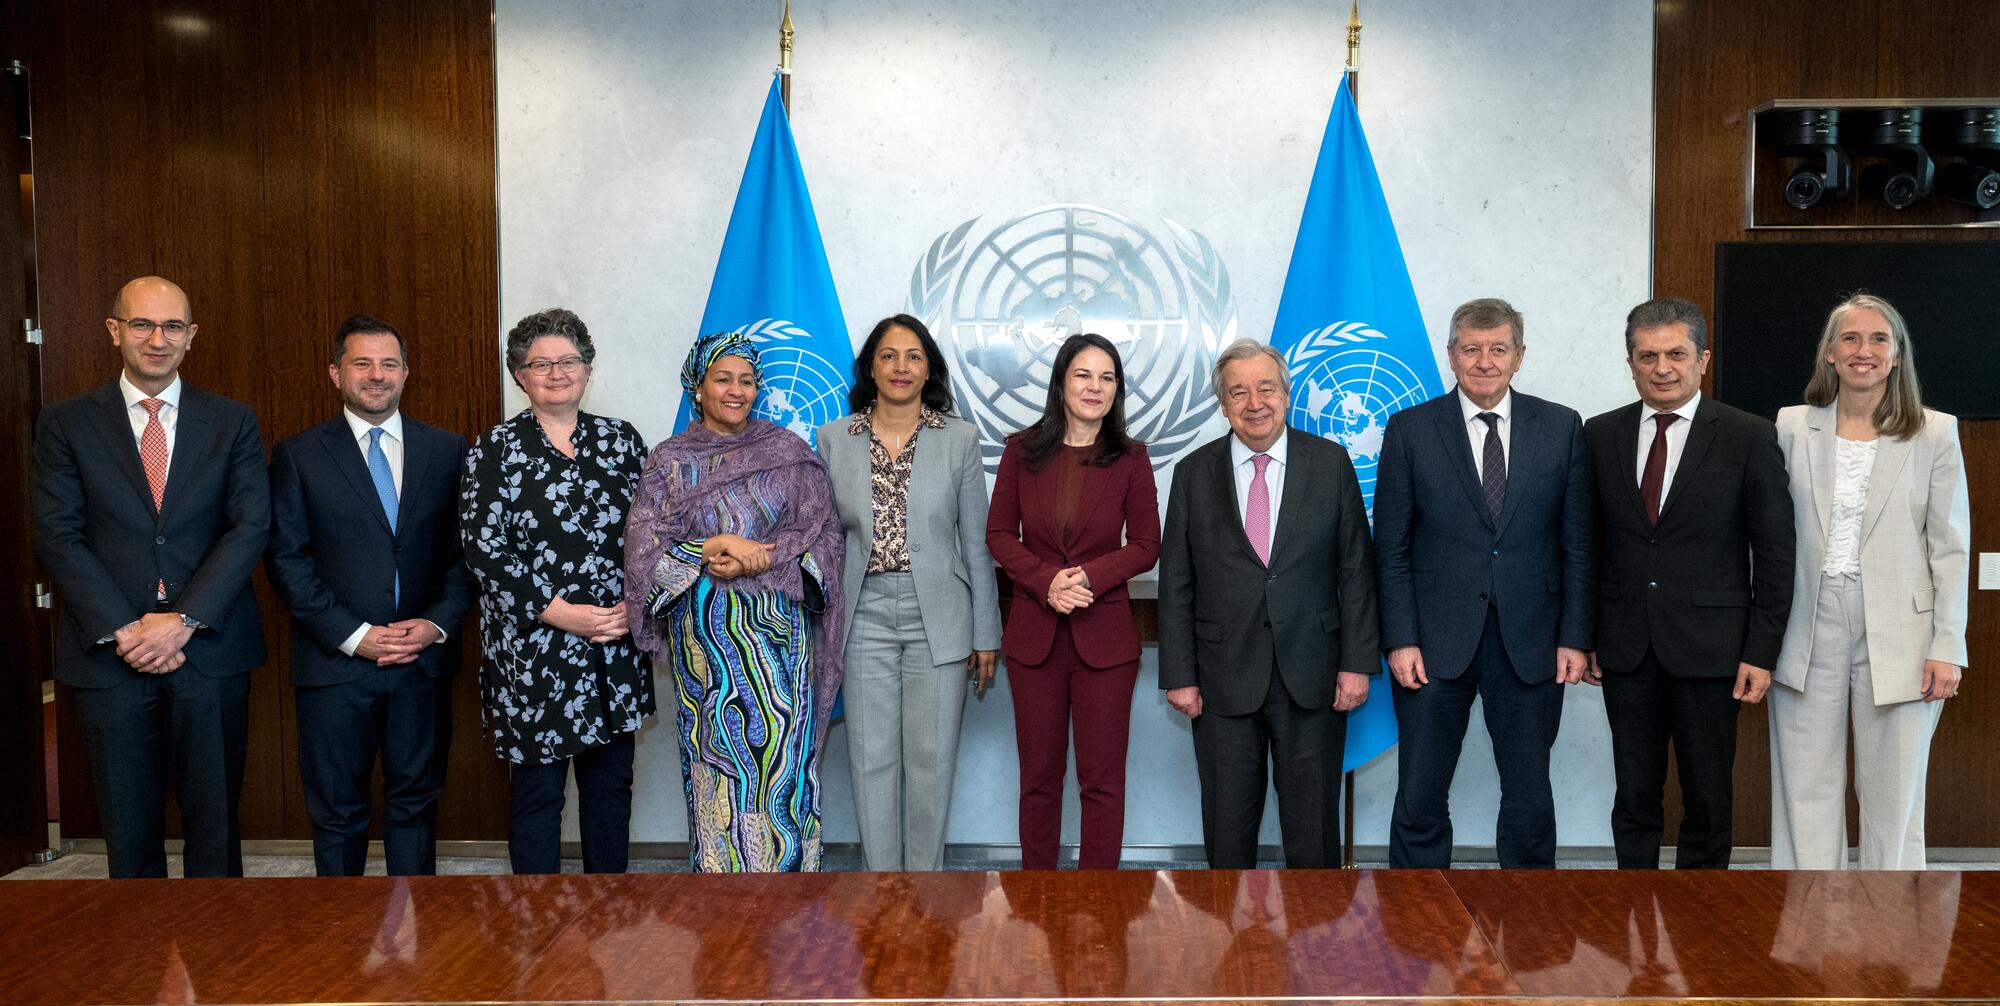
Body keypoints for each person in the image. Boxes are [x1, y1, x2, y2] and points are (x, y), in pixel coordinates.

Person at [31, 276, 270, 878]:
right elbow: (59, 534)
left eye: (171, 327)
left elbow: (248, 529)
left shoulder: (233, 422)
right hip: (111, 654)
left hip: (208, 649)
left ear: (191, 336)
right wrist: (128, 629)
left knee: (215, 826)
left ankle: (217, 962)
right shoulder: (65, 424)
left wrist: (181, 621)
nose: (156, 339)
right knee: (127, 830)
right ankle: (136, 967)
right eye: (141, 324)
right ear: (114, 331)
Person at [1374, 298, 1594, 869]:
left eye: (1498, 349)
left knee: (1529, 800)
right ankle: (1418, 927)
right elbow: (1390, 549)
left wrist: (1574, 637)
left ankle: (1529, 937)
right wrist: (1400, 639)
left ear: (1519, 356)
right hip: (1432, 644)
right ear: (1452, 355)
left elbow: (1577, 545)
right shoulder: (1410, 430)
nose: (1485, 361)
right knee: (1420, 795)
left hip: (1532, 644)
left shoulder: (1562, 427)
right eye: (1471, 349)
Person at [1583, 296, 1794, 870]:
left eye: (1676, 353)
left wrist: (1762, 649)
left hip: (1713, 649)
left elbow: (1775, 553)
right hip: (1625, 646)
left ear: (1703, 358)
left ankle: (1702, 931)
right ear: (1630, 362)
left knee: (1706, 799)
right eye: (1647, 355)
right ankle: (1633, 915)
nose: (1662, 367)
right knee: (1633, 797)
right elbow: (1588, 545)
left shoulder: (1748, 435)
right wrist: (1586, 635)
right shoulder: (1599, 435)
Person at [626, 331, 846, 872]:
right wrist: (710, 548)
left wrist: (761, 557)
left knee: (783, 769)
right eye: (722, 378)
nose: (736, 390)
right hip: (704, 647)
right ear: (696, 388)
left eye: (746, 380)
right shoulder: (669, 460)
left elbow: (824, 536)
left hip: (778, 645)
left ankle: (791, 902)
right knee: (717, 764)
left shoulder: (788, 453)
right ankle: (721, 907)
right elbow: (643, 548)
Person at [267, 314, 475, 876]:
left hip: (421, 662)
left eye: (388, 364)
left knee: (416, 803)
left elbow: (468, 556)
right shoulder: (299, 455)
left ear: (406, 373)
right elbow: (287, 559)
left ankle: (419, 940)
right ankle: (341, 946)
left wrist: (434, 625)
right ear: (336, 373)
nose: (376, 375)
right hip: (334, 665)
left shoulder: (449, 450)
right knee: (338, 813)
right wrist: (353, 636)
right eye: (362, 363)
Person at [1158, 338, 1377, 869]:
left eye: (1266, 388)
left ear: (1286, 392)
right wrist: (1179, 676)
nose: (1254, 402)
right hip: (1221, 680)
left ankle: (1313, 944)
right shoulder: (1192, 474)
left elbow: (1356, 571)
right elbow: (1177, 582)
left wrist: (1356, 665)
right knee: (1228, 832)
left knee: (1314, 832)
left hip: (1315, 677)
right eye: (1238, 392)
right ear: (1223, 404)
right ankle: (1230, 948)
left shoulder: (1330, 463)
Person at [1769, 293, 1970, 870]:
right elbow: (1769, 535)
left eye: (1878, 339)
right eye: (1850, 339)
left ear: (1897, 353)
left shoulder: (1935, 432)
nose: (1864, 351)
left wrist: (1946, 647)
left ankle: (1892, 945)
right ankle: (1808, 945)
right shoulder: (1790, 426)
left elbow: (1950, 547)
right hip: (1805, 625)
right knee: (1805, 787)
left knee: (1894, 796)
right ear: (1829, 353)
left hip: (1904, 633)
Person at [461, 308, 652, 874]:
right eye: (539, 363)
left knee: (610, 788)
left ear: (588, 369)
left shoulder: (623, 442)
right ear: (519, 375)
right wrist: (560, 614)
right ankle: (536, 924)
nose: (556, 372)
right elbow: (483, 548)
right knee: (538, 794)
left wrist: (632, 606)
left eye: (567, 360)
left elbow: (654, 534)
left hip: (612, 643)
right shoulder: (494, 448)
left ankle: (609, 912)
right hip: (534, 648)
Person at [816, 315, 1000, 871]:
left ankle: (926, 889)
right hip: (863, 614)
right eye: (889, 356)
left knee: (931, 761)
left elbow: (976, 541)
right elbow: (822, 540)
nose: (901, 367)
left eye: (914, 356)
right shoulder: (833, 438)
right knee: (870, 760)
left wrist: (985, 633)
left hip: (939, 618)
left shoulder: (959, 438)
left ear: (929, 369)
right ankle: (881, 891)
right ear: (870, 366)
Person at [986, 333, 1159, 870]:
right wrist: (1047, 582)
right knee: (1038, 779)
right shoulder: (1021, 450)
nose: (1095, 387)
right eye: (1084, 375)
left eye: (1107, 378)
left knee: (1102, 782)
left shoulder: (1131, 458)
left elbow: (1148, 545)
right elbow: (998, 535)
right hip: (1034, 640)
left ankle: (1100, 898)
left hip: (1105, 644)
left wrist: (1083, 577)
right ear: (1061, 382)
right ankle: (1036, 897)